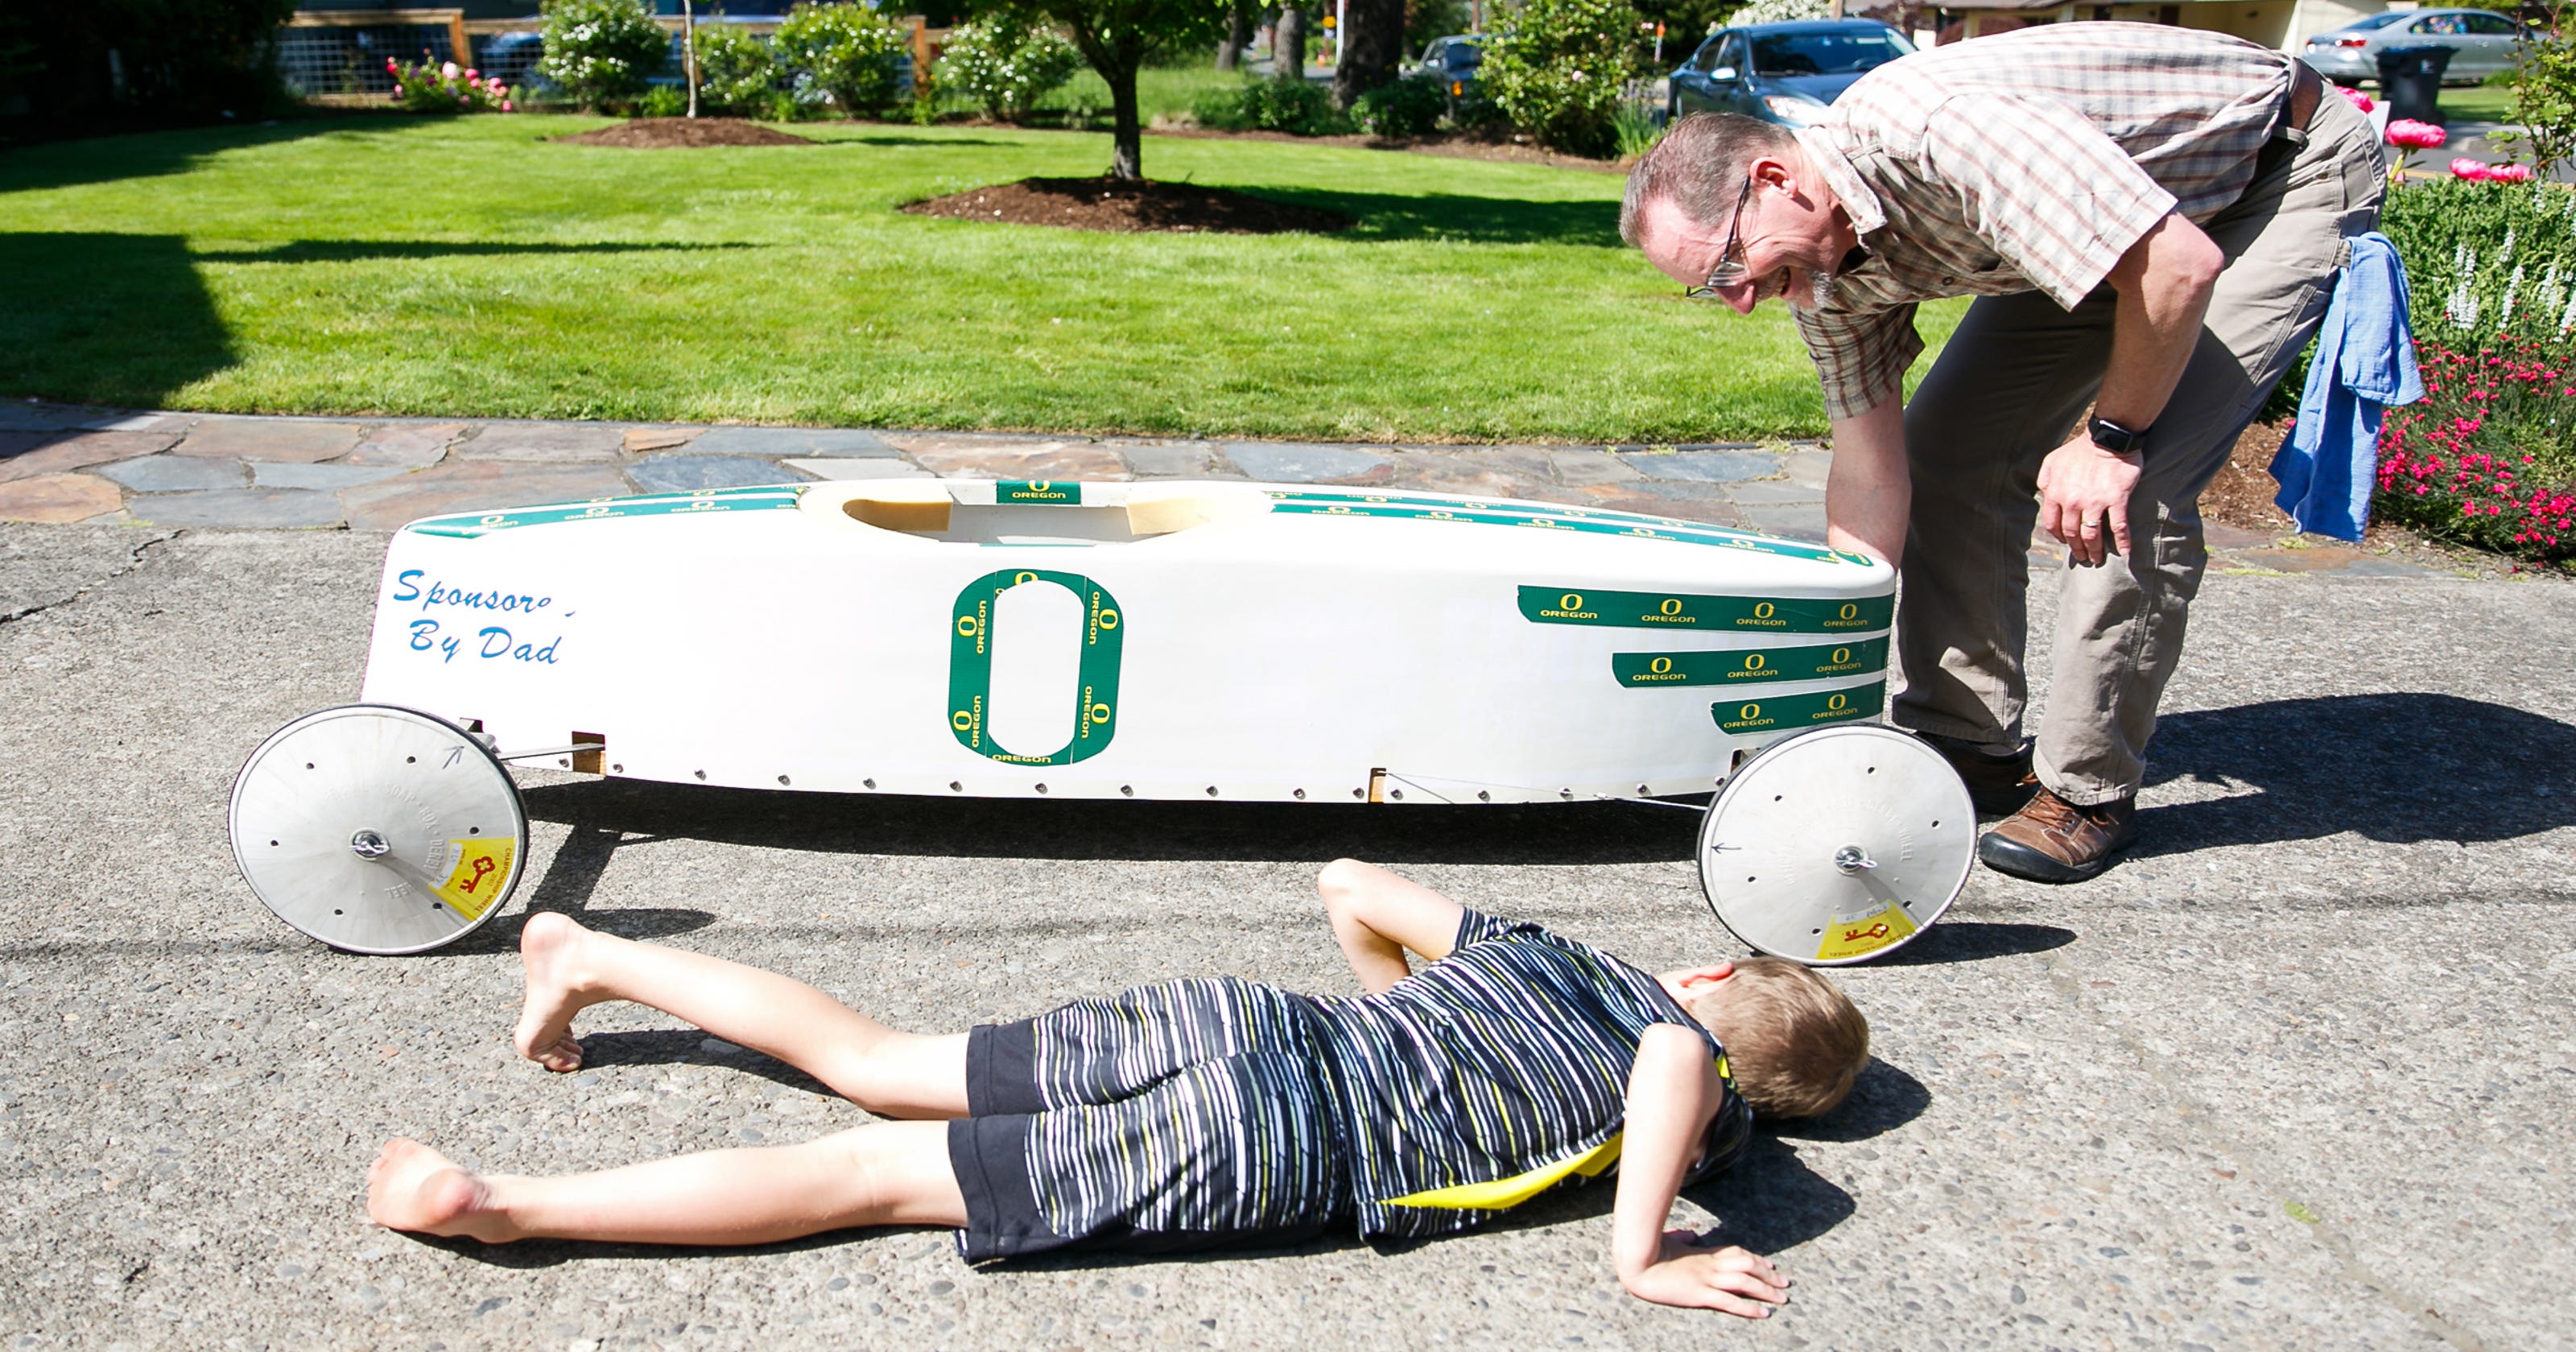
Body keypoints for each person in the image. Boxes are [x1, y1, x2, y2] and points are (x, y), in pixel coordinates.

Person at [366, 860, 1871, 1317]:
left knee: (879, 1064)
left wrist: (1393, 1017)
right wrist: (1641, 1250)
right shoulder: (1701, 1092)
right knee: (875, 1180)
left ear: (1707, 972)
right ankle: (504, 1207)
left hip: (1238, 1023)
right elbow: (1670, 1066)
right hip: (1279, 1136)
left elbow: (1351, 882)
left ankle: (591, 954)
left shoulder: (1549, 953)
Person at [1620, 25, 2386, 883]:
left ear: (1774, 181)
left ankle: (2086, 790)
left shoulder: (1939, 135)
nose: (1737, 301)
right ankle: (1968, 739)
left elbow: (2174, 266)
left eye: (1729, 264)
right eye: (1711, 289)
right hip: (2113, 223)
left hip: (2266, 177)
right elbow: (1871, 469)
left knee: (2130, 490)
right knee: (1946, 454)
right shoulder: (1825, 277)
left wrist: (2110, 438)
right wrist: (1830, 668)